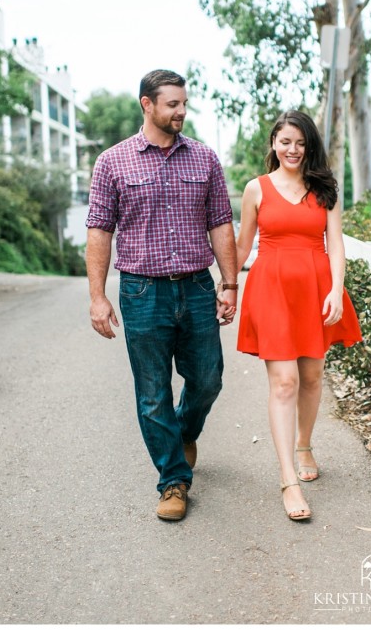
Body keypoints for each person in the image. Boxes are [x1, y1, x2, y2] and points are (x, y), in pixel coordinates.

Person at [85, 69, 238, 522]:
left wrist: (229, 284)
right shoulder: (112, 162)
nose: (181, 112)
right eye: (172, 104)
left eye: (184, 104)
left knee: (208, 378)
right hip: (141, 291)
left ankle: (181, 431)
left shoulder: (205, 159)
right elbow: (99, 230)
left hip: (195, 286)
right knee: (152, 393)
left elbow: (220, 223)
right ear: (146, 105)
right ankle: (173, 480)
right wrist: (98, 296)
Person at [236, 110, 362, 521]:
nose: (293, 149)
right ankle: (288, 479)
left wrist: (336, 291)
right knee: (285, 381)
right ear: (273, 143)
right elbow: (242, 248)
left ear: (310, 146)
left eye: (301, 143)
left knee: (311, 376)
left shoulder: (324, 188)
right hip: (271, 289)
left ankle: (304, 443)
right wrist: (226, 288)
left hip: (315, 288)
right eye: (285, 141)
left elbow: (336, 244)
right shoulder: (256, 189)